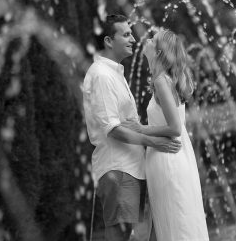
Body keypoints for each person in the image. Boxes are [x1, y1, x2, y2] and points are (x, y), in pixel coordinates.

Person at [82, 15, 181, 241]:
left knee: (131, 234)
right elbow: (113, 129)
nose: (134, 39)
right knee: (121, 233)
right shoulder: (102, 76)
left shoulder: (114, 73)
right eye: (126, 34)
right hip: (117, 166)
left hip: (130, 166)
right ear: (108, 41)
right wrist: (153, 142)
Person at [122, 29, 210, 241]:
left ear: (159, 52)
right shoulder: (164, 80)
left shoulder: (162, 81)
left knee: (175, 221)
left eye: (153, 39)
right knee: (175, 220)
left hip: (167, 159)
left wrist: (141, 128)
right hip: (170, 158)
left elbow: (175, 127)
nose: (148, 40)